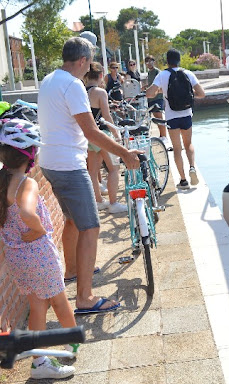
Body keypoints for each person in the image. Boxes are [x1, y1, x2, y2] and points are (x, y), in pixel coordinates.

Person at [38, 37, 141, 314]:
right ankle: (84, 298)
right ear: (83, 61)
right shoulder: (73, 85)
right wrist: (126, 154)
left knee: (72, 220)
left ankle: (72, 271)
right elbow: (91, 132)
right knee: (91, 226)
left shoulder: (49, 79)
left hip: (49, 162)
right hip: (69, 165)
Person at [0, 122, 78, 379]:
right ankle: (72, 344)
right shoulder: (27, 183)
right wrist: (39, 230)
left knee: (37, 304)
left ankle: (40, 361)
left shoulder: (2, 181)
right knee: (59, 299)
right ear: (31, 155)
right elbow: (26, 212)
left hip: (16, 257)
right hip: (37, 254)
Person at [146, 48, 205, 189]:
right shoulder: (188, 73)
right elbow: (202, 94)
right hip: (186, 114)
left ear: (167, 61)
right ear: (179, 60)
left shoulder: (163, 75)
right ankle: (192, 167)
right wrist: (190, 96)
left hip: (172, 116)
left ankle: (183, 180)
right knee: (188, 144)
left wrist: (158, 91)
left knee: (177, 148)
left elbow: (150, 94)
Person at [84, 62, 127, 214]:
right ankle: (114, 203)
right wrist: (116, 135)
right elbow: (107, 117)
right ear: (101, 75)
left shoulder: (82, 92)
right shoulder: (100, 92)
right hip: (102, 135)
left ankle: (98, 201)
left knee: (93, 171)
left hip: (88, 135)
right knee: (114, 169)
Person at [143, 55, 167, 139]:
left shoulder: (157, 72)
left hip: (157, 98)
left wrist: (157, 92)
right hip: (150, 99)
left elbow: (162, 84)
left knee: (159, 117)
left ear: (154, 62)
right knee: (154, 118)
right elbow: (151, 84)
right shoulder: (149, 73)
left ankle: (164, 136)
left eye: (150, 61)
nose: (149, 63)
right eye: (147, 62)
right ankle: (161, 135)